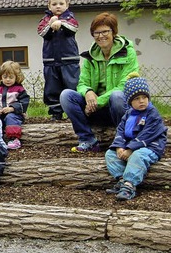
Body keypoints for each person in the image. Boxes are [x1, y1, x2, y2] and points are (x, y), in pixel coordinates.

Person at [60, 12, 139, 152]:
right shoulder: (90, 56)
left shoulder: (128, 53)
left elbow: (124, 85)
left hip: (117, 108)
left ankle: (124, 138)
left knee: (117, 95)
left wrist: (97, 102)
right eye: (96, 33)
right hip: (93, 110)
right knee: (66, 95)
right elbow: (82, 83)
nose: (101, 36)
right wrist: (88, 92)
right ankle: (87, 139)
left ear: (113, 32)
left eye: (105, 31)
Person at [105, 73, 167, 201]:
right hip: (131, 146)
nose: (142, 101)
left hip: (150, 146)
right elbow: (121, 130)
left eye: (144, 97)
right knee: (110, 154)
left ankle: (130, 185)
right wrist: (119, 147)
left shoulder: (152, 114)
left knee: (138, 156)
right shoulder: (128, 114)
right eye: (137, 98)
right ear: (129, 101)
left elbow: (148, 134)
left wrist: (130, 149)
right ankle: (122, 180)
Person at [37, 0, 80, 121]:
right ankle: (56, 113)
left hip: (69, 61)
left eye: (61, 3)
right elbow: (41, 32)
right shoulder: (45, 20)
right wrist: (51, 24)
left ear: (67, 5)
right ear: (49, 6)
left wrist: (60, 23)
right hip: (50, 61)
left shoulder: (70, 19)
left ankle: (74, 113)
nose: (58, 6)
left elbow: (74, 28)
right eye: (54, 4)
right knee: (52, 88)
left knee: (72, 86)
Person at [0, 61, 30, 150]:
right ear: (1, 77)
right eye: (5, 77)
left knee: (10, 118)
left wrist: (12, 108)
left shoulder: (19, 89)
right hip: (0, 113)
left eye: (11, 77)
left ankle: (14, 139)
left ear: (16, 77)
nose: (8, 80)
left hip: (15, 114)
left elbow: (24, 102)